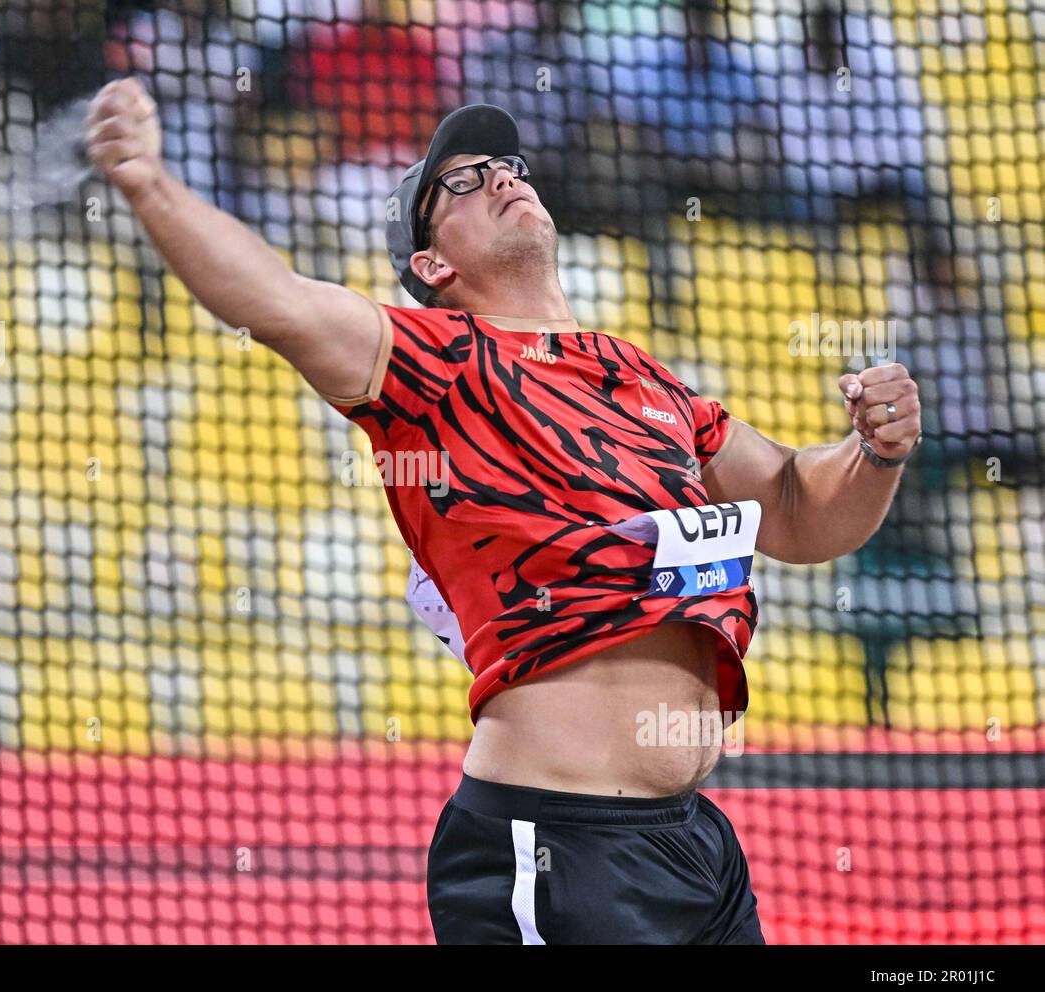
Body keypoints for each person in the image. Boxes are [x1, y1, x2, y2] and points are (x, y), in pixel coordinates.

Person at [84, 82, 924, 944]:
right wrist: (149, 180)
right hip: (551, 844)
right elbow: (275, 298)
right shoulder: (432, 363)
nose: (501, 179)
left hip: (694, 844)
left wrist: (875, 451)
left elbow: (794, 507)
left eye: (509, 166)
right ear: (430, 265)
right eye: (463, 180)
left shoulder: (642, 378)